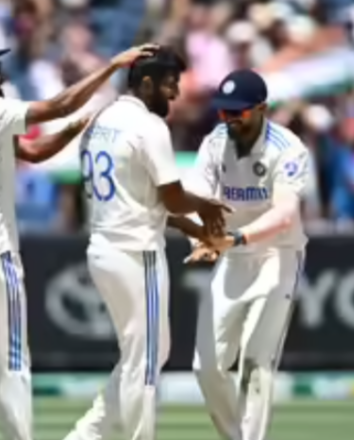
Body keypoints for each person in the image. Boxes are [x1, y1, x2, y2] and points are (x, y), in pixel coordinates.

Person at [0, 36, 157, 440]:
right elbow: (58, 105)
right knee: (11, 362)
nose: (1, 76)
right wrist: (112, 66)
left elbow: (33, 152)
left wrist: (74, 129)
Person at [62, 47, 230, 440]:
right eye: (171, 84)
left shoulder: (101, 119)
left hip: (103, 249)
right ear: (148, 83)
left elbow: (146, 201)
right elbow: (173, 198)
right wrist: (206, 207)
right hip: (137, 253)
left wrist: (196, 230)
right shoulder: (149, 127)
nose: (175, 94)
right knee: (145, 358)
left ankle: (86, 434)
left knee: (146, 353)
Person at [183, 69, 308, 440]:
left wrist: (235, 238)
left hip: (277, 255)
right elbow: (196, 198)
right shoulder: (215, 142)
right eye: (224, 112)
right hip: (232, 256)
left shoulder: (287, 148)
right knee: (206, 366)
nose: (230, 119)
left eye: (238, 112)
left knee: (255, 362)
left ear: (262, 109)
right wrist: (199, 239)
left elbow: (284, 214)